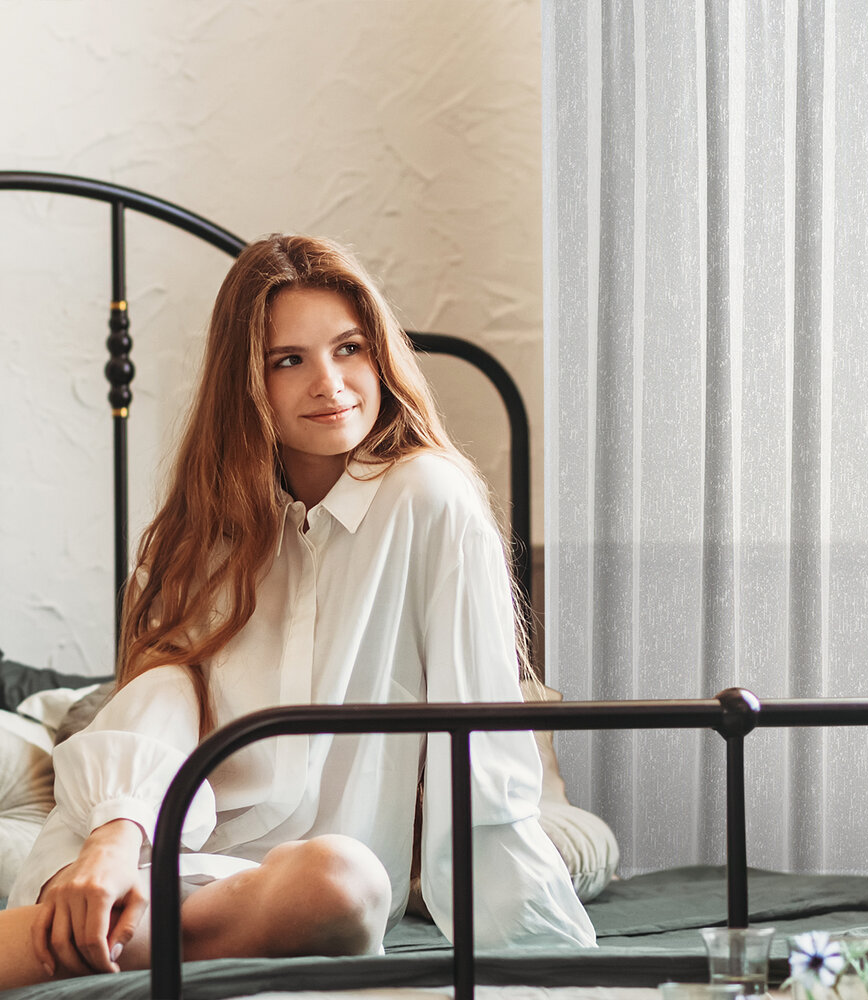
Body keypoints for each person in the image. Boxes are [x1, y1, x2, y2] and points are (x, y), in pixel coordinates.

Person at [0, 235, 596, 989]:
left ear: (379, 354)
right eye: (289, 360)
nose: (330, 383)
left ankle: (101, 946)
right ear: (247, 381)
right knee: (102, 899)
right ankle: (116, 927)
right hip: (146, 847)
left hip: (310, 888)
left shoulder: (430, 498)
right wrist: (115, 837)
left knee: (344, 881)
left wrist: (552, 959)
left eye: (349, 348)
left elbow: (480, 746)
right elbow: (162, 690)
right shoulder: (197, 534)